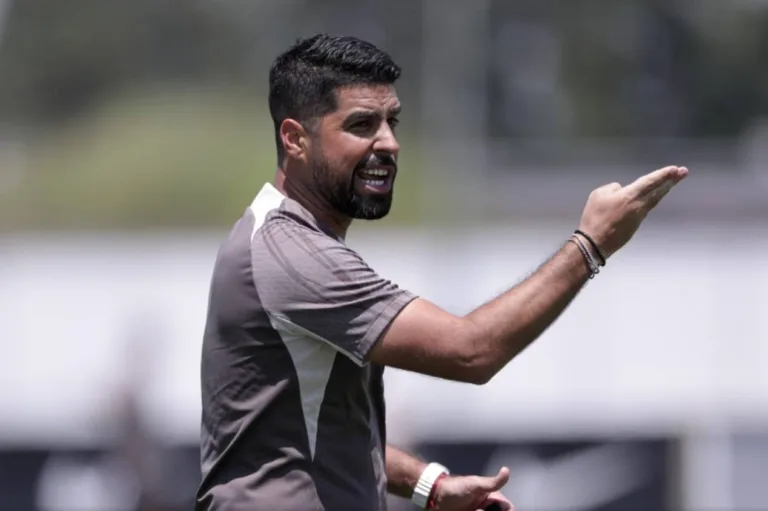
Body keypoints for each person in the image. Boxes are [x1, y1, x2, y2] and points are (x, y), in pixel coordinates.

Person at [196, 33, 688, 511]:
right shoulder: (294, 253)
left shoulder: (285, 239)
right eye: (362, 125)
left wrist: (427, 484)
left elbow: (309, 430)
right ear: (295, 139)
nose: (389, 143)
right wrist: (591, 244)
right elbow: (471, 351)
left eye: (392, 121)